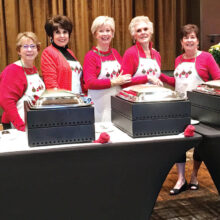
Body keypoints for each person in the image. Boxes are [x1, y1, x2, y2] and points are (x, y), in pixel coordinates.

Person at [159, 24, 220, 195]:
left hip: (201, 109)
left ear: (198, 41)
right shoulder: (179, 59)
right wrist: (160, 76)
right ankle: (180, 178)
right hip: (180, 106)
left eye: (193, 37)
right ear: (181, 42)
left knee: (200, 144)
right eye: (186, 37)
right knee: (179, 143)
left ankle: (194, 175)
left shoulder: (206, 57)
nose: (189, 40)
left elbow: (218, 79)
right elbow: (177, 83)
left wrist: (205, 92)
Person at [83, 16, 131, 122]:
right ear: (95, 34)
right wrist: (113, 82)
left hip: (117, 104)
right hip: (98, 105)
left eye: (108, 30)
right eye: (101, 31)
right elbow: (90, 83)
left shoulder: (115, 53)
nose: (105, 34)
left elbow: (126, 74)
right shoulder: (90, 56)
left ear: (112, 34)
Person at [0, 32, 45, 131]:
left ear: (37, 50)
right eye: (25, 46)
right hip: (18, 127)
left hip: (35, 124)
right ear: (18, 51)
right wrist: (21, 126)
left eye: (33, 46)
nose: (29, 50)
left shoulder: (34, 69)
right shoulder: (12, 70)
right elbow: (6, 102)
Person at [41, 15, 85, 94]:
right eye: (57, 32)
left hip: (78, 100)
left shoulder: (70, 52)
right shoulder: (48, 52)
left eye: (65, 32)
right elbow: (51, 84)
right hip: (63, 102)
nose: (62, 36)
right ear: (51, 35)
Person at [121, 16, 163, 87]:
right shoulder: (130, 53)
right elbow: (124, 82)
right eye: (138, 30)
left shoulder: (156, 54)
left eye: (145, 29)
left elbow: (158, 77)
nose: (143, 32)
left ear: (151, 31)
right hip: (136, 96)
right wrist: (147, 78)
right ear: (134, 36)